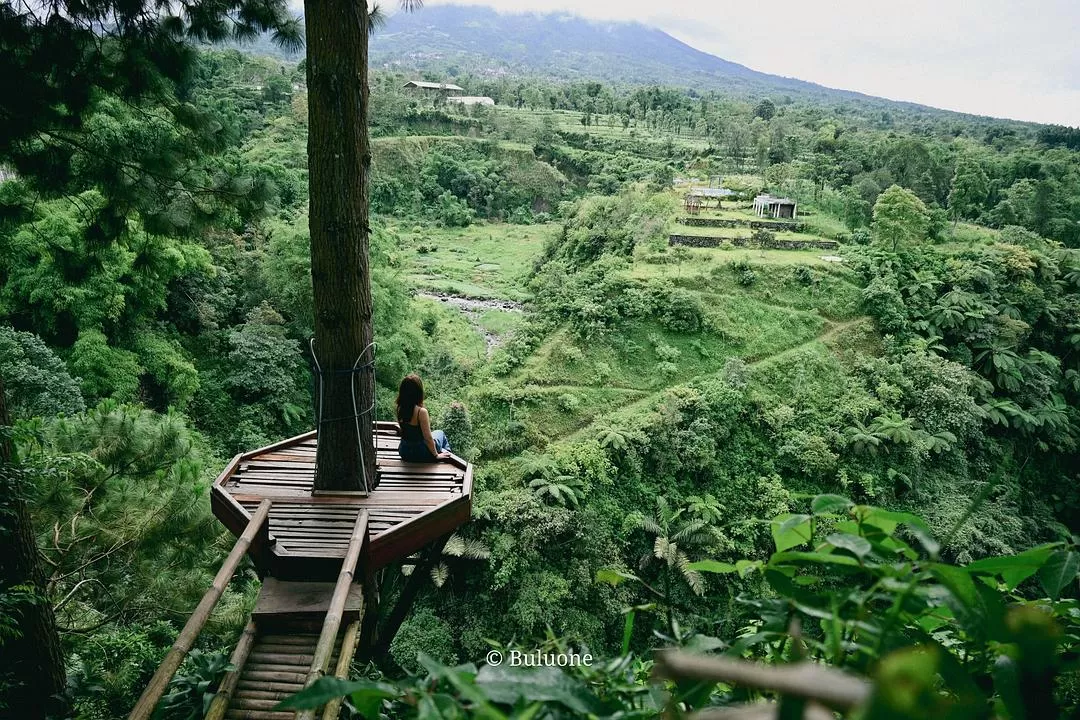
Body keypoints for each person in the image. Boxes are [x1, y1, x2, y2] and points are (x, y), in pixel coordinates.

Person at [396, 373, 452, 462]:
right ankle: (446, 457)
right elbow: (428, 438)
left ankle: (443, 454)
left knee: (435, 435)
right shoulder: (421, 412)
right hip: (420, 452)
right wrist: (436, 455)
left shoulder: (400, 408)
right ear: (418, 392)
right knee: (440, 433)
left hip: (405, 452)